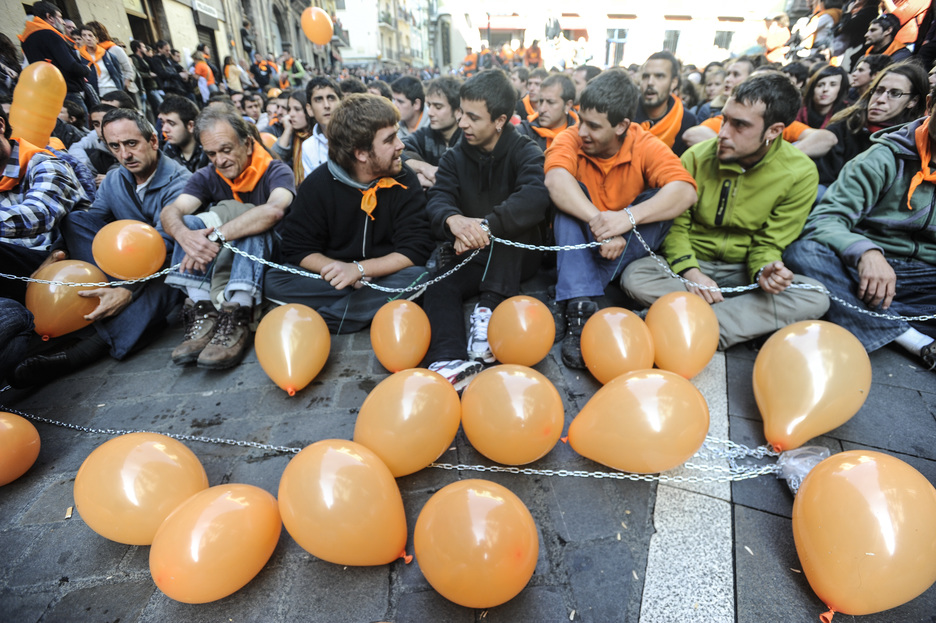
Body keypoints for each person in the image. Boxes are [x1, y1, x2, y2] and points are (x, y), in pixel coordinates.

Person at [621, 73, 830, 350]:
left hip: (743, 272)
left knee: (815, 295)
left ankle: (682, 322)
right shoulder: (695, 156)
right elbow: (677, 227)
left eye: (740, 125)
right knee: (635, 275)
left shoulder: (800, 172)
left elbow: (770, 243)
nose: (723, 133)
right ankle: (725, 324)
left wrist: (766, 270)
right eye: (724, 119)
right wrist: (692, 272)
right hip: (690, 266)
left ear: (774, 131)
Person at [13, 108, 191, 386]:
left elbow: (164, 245)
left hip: (163, 267)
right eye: (115, 146)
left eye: (132, 144)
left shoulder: (180, 182)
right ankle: (111, 306)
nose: (125, 154)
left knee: (161, 282)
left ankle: (83, 350)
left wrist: (127, 291)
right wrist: (55, 257)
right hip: (118, 262)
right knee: (75, 220)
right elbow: (91, 221)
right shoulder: (116, 178)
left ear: (153, 141)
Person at [544, 68, 698, 368]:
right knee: (567, 200)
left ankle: (572, 296)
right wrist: (602, 223)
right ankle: (579, 305)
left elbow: (686, 192)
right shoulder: (571, 137)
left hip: (623, 240)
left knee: (659, 202)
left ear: (622, 126)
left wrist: (627, 218)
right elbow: (555, 182)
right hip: (587, 237)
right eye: (580, 120)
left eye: (593, 126)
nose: (582, 132)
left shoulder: (645, 143)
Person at [784, 87, 936, 370]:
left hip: (925, 279)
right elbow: (825, 220)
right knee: (803, 253)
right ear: (929, 105)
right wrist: (867, 252)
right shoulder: (883, 157)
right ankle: (912, 337)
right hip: (862, 270)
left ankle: (862, 315)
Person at [422, 69, 551, 388]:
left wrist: (486, 225)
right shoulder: (454, 156)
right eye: (461, 113)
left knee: (512, 225)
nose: (462, 123)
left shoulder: (525, 151)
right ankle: (447, 362)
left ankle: (488, 308)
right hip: (471, 251)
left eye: (472, 117)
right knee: (439, 281)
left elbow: (536, 196)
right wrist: (453, 220)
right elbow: (439, 197)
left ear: (499, 120)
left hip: (517, 255)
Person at [264, 94, 433, 333]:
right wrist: (343, 272)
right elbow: (297, 249)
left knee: (421, 276)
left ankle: (327, 321)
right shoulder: (318, 185)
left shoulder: (405, 179)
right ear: (361, 153)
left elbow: (415, 250)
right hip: (335, 280)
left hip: (384, 276)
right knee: (275, 280)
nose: (401, 146)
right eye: (390, 140)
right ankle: (364, 311)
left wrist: (361, 269)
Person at [160, 107, 296, 368]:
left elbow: (274, 210)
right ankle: (203, 312)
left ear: (246, 144)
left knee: (253, 217)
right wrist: (185, 236)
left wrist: (217, 237)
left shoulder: (276, 170)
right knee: (187, 223)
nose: (219, 160)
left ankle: (239, 313)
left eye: (226, 149)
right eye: (211, 153)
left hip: (272, 259)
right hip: (227, 260)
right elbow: (171, 211)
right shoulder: (207, 175)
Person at [0, 107, 90, 305]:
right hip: (14, 271)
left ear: (1, 125)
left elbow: (39, 215)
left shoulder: (44, 163)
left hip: (58, 260)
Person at [797, 62, 928, 194]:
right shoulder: (849, 121)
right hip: (828, 192)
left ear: (913, 101)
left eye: (894, 93)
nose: (881, 99)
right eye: (878, 90)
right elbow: (828, 141)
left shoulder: (912, 143)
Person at [18, 2, 91, 114]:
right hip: (68, 92)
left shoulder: (26, 40)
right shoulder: (51, 34)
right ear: (49, 17)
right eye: (60, 17)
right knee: (81, 127)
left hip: (48, 93)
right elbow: (70, 65)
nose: (62, 22)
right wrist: (85, 69)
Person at [402, 76, 463, 188]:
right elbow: (397, 151)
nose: (430, 112)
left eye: (438, 107)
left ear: (458, 111)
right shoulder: (426, 134)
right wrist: (423, 168)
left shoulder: (468, 138)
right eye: (429, 105)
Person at [635, 51, 698, 156]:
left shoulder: (687, 121)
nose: (650, 82)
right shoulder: (624, 114)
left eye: (659, 76)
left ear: (673, 82)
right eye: (646, 76)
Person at [517, 73, 578, 151]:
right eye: (541, 101)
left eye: (550, 102)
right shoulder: (522, 133)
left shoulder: (580, 138)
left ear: (568, 105)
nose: (542, 109)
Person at [299, 77, 342, 177]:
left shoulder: (357, 136)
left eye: (331, 98)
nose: (326, 105)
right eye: (319, 100)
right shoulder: (308, 146)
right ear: (309, 109)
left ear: (341, 103)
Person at [271, 89, 315, 185]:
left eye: (297, 109)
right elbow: (274, 159)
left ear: (309, 110)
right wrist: (287, 131)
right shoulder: (292, 135)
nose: (291, 114)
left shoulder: (319, 136)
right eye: (289, 109)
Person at [68, 103, 120, 184]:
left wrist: (114, 179)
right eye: (96, 124)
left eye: (106, 123)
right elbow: (76, 147)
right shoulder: (95, 158)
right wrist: (85, 168)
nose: (101, 129)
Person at [158, 94, 209, 173]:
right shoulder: (165, 155)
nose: (164, 129)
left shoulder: (211, 153)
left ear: (190, 126)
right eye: (162, 123)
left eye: (171, 123)